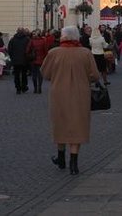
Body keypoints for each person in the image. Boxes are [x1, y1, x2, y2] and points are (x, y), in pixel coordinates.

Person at [40, 25, 99, 175]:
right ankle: (74, 163)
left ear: (65, 37)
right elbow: (94, 75)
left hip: (59, 93)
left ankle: (61, 158)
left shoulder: (54, 53)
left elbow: (45, 73)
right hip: (80, 93)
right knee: (77, 125)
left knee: (60, 123)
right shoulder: (85, 53)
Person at [7, 27, 30, 94]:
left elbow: (10, 50)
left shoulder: (13, 40)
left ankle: (18, 88)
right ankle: (24, 86)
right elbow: (29, 49)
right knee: (24, 74)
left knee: (16, 74)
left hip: (15, 60)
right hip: (24, 60)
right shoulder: (26, 39)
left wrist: (12, 57)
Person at [27, 29, 50, 93]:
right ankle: (39, 86)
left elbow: (27, 50)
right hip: (41, 59)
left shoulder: (31, 41)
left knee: (34, 74)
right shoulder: (44, 40)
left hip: (33, 59)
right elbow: (46, 50)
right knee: (40, 74)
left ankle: (35, 88)